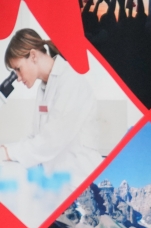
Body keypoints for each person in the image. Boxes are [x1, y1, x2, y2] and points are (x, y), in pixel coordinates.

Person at [0, 30, 101, 182]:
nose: (18, 78)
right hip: (59, 182)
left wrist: (8, 152)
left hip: (81, 181)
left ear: (33, 56)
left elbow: (52, 140)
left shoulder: (70, 79)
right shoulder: (44, 87)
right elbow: (36, 137)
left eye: (18, 69)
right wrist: (6, 149)